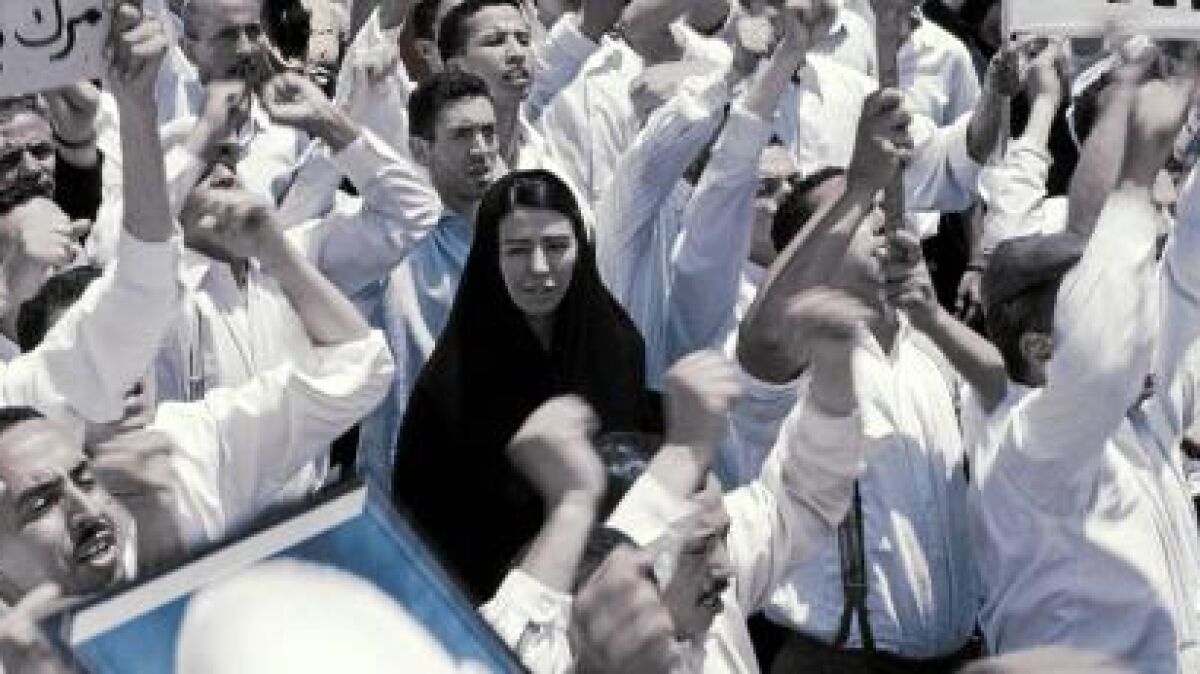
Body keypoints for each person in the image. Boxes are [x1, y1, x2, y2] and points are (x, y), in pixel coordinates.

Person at [969, 65, 1200, 672]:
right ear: (1041, 349)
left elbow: (1185, 275)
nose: (1135, 321)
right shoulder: (1034, 444)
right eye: (1100, 308)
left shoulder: (1138, 416)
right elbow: (1102, 360)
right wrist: (1136, 177)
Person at [391, 169, 659, 602]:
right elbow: (424, 534)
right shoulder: (450, 389)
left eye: (555, 247)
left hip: (616, 596)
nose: (538, 268)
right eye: (517, 250)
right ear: (490, 257)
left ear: (581, 248)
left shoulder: (618, 349)